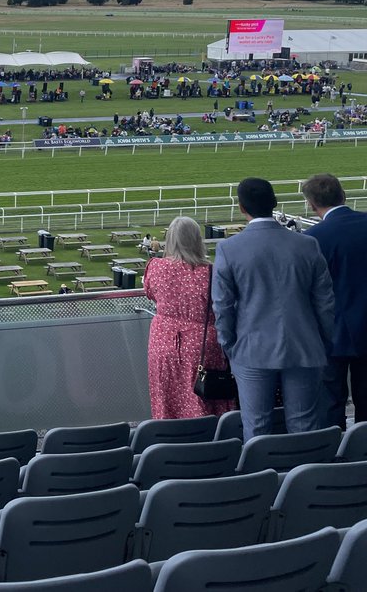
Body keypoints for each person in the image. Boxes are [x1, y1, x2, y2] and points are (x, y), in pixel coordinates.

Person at [211, 177, 335, 439]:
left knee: (257, 428)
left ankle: (263, 480)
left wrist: (229, 345)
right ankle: (307, 479)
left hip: (251, 349)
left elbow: (222, 306)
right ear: (275, 204)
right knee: (304, 427)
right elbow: (325, 303)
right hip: (304, 346)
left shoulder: (228, 249)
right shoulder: (307, 244)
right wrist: (323, 341)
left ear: (241, 207)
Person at [143, 216, 236, 419]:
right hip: (202, 345)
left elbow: (150, 293)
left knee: (165, 398)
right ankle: (209, 443)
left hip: (163, 343)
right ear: (197, 240)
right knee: (204, 400)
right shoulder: (211, 272)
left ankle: (170, 440)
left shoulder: (156, 267)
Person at [302, 173, 367, 428]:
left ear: (311, 204)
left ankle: (334, 459)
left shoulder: (313, 238)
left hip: (330, 333)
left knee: (330, 403)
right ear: (344, 196)